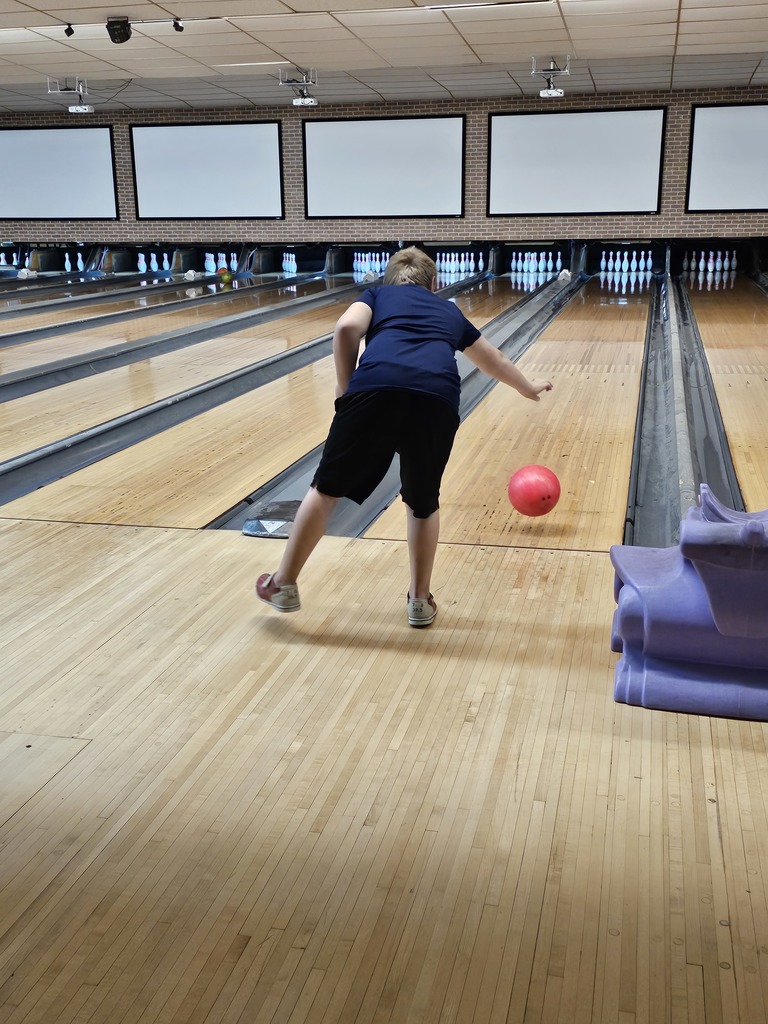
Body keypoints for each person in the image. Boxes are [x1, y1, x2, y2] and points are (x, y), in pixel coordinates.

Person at [256, 246, 552, 627]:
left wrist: (345, 388)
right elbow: (493, 358)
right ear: (434, 284)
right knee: (423, 502)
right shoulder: (448, 310)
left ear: (388, 280)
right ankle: (419, 601)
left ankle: (283, 584)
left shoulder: (377, 295)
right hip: (436, 399)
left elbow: (345, 328)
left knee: (326, 490)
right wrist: (527, 388)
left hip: (374, 389)